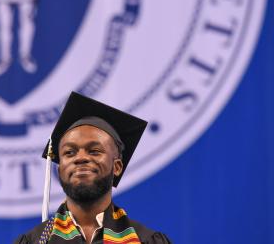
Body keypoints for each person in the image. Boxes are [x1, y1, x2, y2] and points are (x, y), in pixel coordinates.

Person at [15, 92, 172, 243]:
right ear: (59, 169)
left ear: (117, 167)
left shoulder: (146, 241)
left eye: (94, 151)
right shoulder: (35, 241)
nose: (81, 158)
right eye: (69, 152)